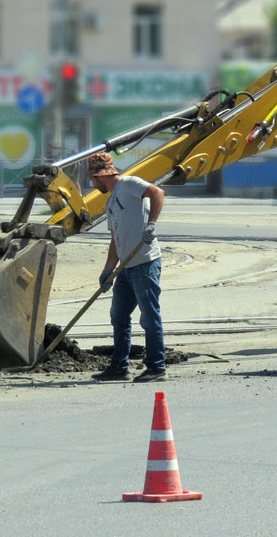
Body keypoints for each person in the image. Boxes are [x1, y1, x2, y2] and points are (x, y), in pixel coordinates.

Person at [87, 152, 167, 383]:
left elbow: (157, 192)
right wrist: (108, 270)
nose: (92, 184)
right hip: (125, 268)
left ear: (99, 176)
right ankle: (120, 366)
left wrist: (151, 224)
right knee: (119, 316)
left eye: (93, 180)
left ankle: (156, 367)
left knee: (149, 317)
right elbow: (115, 239)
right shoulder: (110, 202)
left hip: (144, 262)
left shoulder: (129, 184)